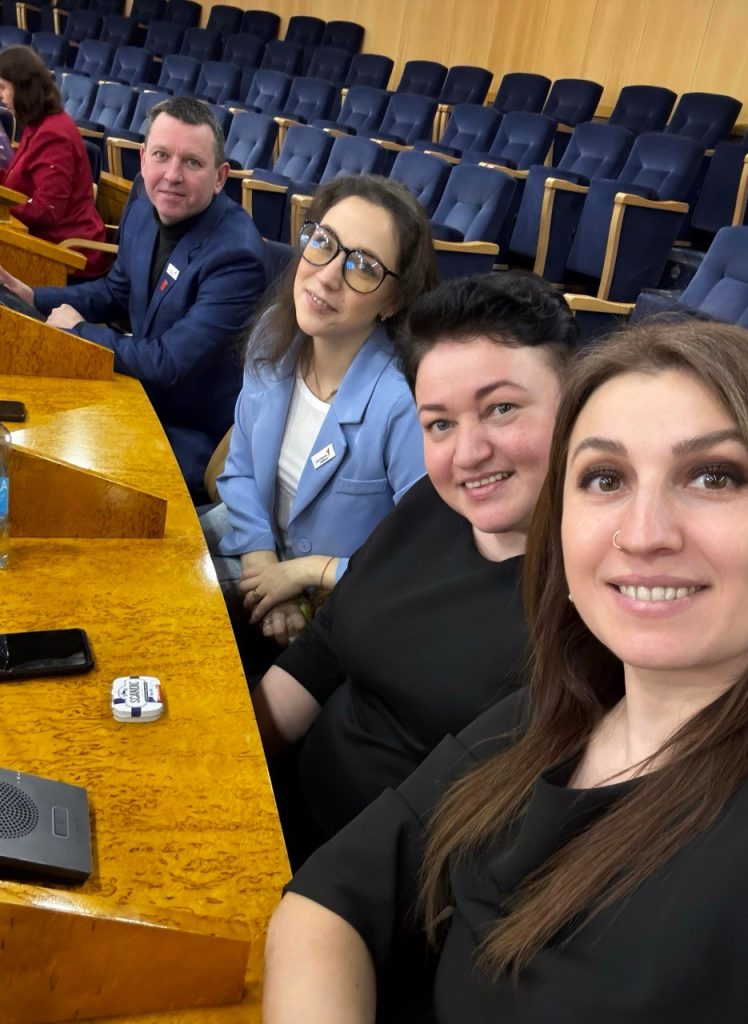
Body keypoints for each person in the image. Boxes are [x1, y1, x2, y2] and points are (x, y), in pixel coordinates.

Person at [265, 318, 748, 1023]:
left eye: (715, 477)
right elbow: (333, 893)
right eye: (605, 478)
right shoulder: (561, 707)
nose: (644, 533)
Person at [253, 272, 577, 861]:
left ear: (577, 403)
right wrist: (232, 759)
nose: (469, 454)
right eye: (440, 424)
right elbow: (322, 652)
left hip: (367, 882)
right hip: (274, 811)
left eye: (501, 408)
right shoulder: (432, 504)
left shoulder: (591, 604)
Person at [205, 174, 437, 659]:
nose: (328, 275)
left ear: (392, 301)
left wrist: (304, 574)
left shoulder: (403, 405)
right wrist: (264, 568)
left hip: (345, 605)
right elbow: (240, 468)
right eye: (324, 242)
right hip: (256, 549)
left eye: (364, 266)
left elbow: (422, 559)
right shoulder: (274, 335)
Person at [0, 96, 271, 501]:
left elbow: (170, 362)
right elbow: (117, 291)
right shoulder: (144, 205)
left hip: (187, 429)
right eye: (161, 155)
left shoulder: (237, 257)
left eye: (192, 162)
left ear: (219, 177)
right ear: (143, 158)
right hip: (133, 389)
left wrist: (78, 330)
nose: (172, 175)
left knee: (58, 478)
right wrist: (34, 297)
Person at [0, 45, 108, 278]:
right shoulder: (39, 124)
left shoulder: (53, 134)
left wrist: (3, 206)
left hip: (68, 255)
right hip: (45, 244)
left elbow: (46, 210)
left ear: (23, 89)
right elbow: (21, 182)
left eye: (3, 88)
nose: (1, 96)